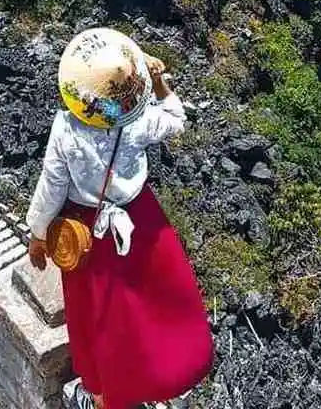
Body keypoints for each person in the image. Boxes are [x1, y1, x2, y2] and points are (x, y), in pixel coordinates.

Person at [26, 28, 214, 409]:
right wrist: (159, 83)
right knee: (153, 304)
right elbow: (177, 119)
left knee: (97, 313)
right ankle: (156, 380)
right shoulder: (139, 120)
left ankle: (100, 394)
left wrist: (39, 232)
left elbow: (52, 183)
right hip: (139, 218)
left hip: (86, 227)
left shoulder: (67, 126)